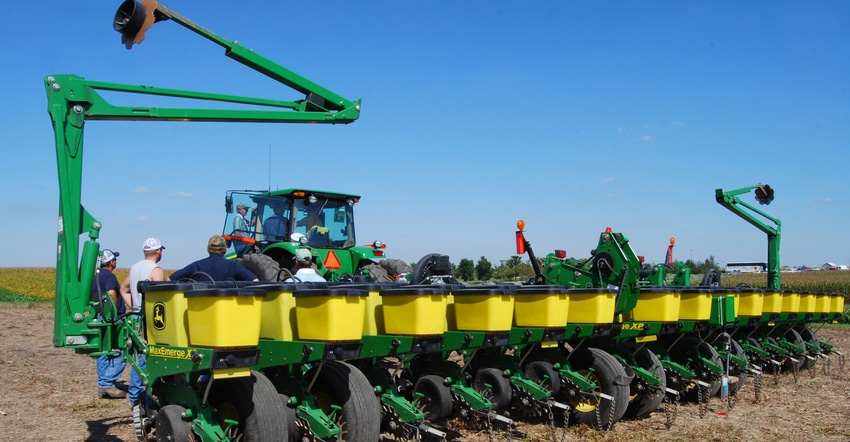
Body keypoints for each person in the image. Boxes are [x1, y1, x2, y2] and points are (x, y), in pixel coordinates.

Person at [119, 237, 166, 411]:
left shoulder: (134, 268)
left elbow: (123, 290)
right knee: (149, 357)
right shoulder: (156, 270)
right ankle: (146, 401)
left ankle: (134, 398)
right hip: (150, 320)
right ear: (158, 251)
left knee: (138, 358)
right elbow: (161, 297)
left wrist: (135, 306)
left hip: (137, 317)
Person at [92, 248, 126, 399]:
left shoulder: (94, 277)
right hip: (111, 317)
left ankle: (102, 384)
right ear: (111, 262)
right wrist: (113, 314)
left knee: (104, 351)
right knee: (122, 350)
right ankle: (107, 383)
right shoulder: (110, 277)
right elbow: (112, 294)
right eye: (115, 260)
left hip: (99, 316)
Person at [169, 235, 259, 282]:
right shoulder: (233, 266)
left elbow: (169, 280)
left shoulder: (196, 266)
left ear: (208, 249)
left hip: (199, 310)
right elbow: (255, 281)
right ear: (225, 249)